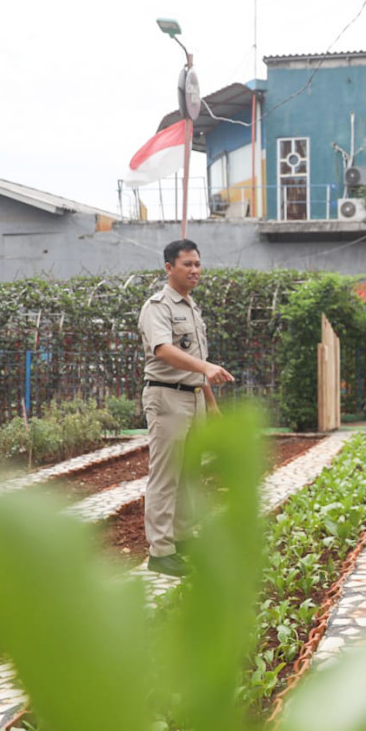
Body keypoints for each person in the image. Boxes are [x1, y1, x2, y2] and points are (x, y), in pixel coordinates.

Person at [137, 239, 235, 577]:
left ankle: (182, 536)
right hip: (167, 398)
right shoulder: (158, 307)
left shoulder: (192, 307)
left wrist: (211, 401)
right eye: (187, 265)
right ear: (169, 268)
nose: (195, 270)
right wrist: (206, 369)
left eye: (197, 263)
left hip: (193, 397)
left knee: (189, 473)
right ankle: (160, 550)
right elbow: (163, 350)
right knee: (165, 475)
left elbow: (198, 362)